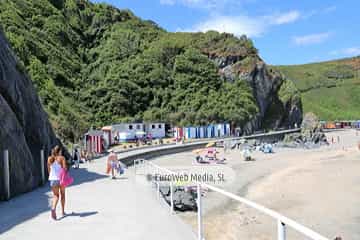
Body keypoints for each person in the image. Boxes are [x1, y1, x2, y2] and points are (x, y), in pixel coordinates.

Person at [47, 146, 67, 220]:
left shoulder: (49, 159)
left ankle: (53, 208)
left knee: (56, 196)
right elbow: (64, 168)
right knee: (63, 195)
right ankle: (62, 211)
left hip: (52, 179)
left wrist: (51, 177)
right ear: (59, 151)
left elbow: (49, 170)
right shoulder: (62, 158)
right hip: (60, 179)